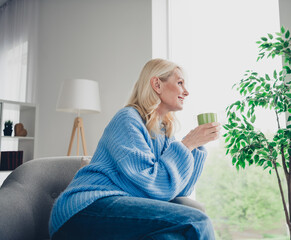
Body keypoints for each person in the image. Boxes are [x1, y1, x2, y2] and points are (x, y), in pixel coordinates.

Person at [49, 58, 220, 239]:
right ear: (157, 84)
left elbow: (178, 189)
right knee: (197, 221)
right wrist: (188, 144)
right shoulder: (128, 119)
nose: (186, 92)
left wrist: (196, 147)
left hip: (119, 206)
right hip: (84, 209)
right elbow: (153, 186)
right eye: (180, 83)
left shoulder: (163, 131)